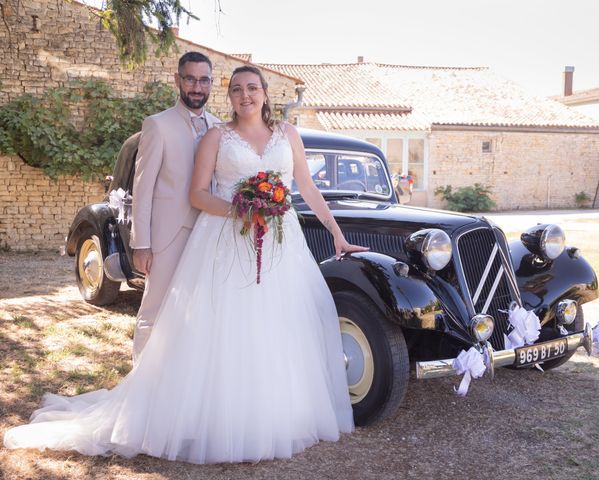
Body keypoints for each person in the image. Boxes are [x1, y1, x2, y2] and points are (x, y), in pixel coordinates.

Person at [3, 65, 367, 464]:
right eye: (236, 90)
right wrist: (240, 211)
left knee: (277, 324)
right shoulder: (216, 135)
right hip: (228, 238)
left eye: (252, 88)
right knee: (224, 327)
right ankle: (217, 416)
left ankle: (276, 412)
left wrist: (336, 233)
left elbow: (306, 186)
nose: (245, 95)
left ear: (265, 93)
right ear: (228, 97)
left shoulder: (288, 134)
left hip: (282, 244)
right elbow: (196, 194)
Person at [131, 51, 220, 362]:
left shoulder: (220, 128)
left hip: (210, 233)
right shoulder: (157, 125)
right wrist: (142, 244)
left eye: (204, 80)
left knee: (198, 312)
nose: (197, 87)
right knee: (154, 311)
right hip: (168, 235)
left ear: (212, 84)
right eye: (191, 79)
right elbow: (142, 189)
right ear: (178, 80)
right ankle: (140, 387)